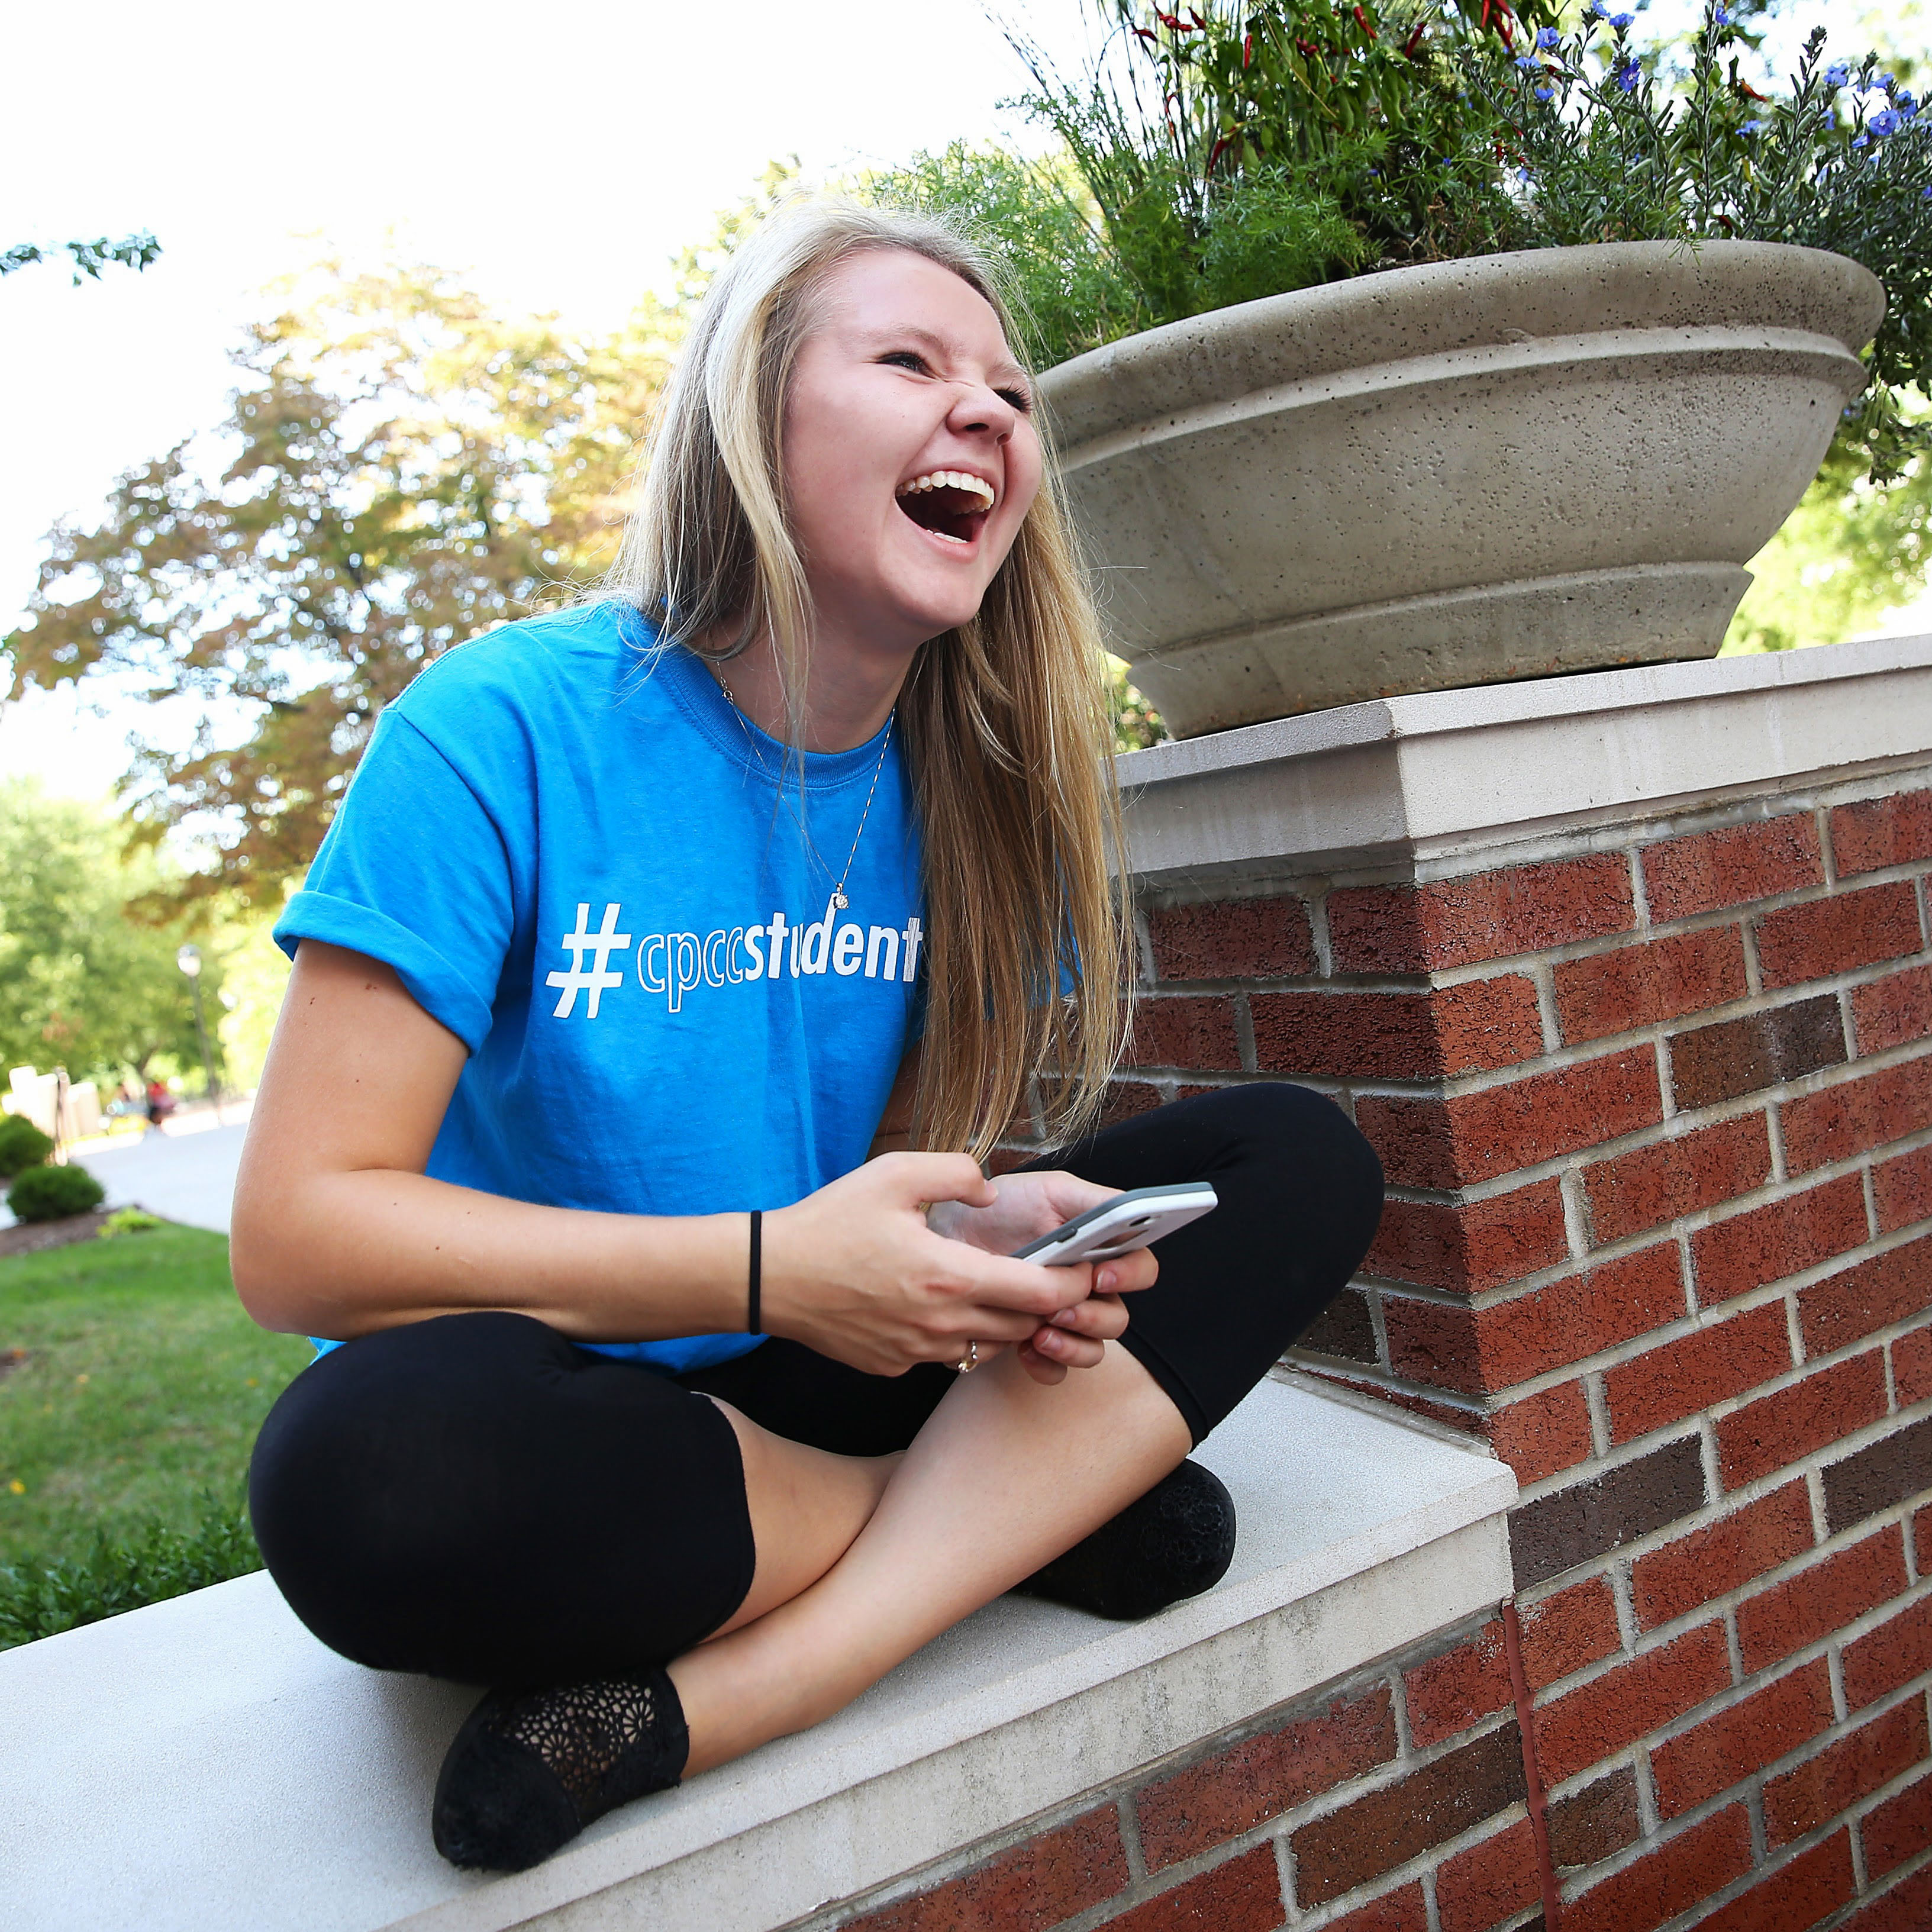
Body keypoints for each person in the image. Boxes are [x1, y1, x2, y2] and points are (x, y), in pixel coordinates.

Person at [233, 199, 1384, 1875]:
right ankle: (1012, 1515)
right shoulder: (499, 729)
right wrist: (770, 1268)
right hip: (577, 1398)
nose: (987, 409)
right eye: (911, 360)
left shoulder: (978, 791)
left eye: (1007, 387)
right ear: (749, 427)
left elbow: (884, 1180)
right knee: (364, 1481)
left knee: (1294, 1158)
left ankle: (735, 1689)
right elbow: (295, 1237)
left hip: (833, 1367)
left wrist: (971, 1232)